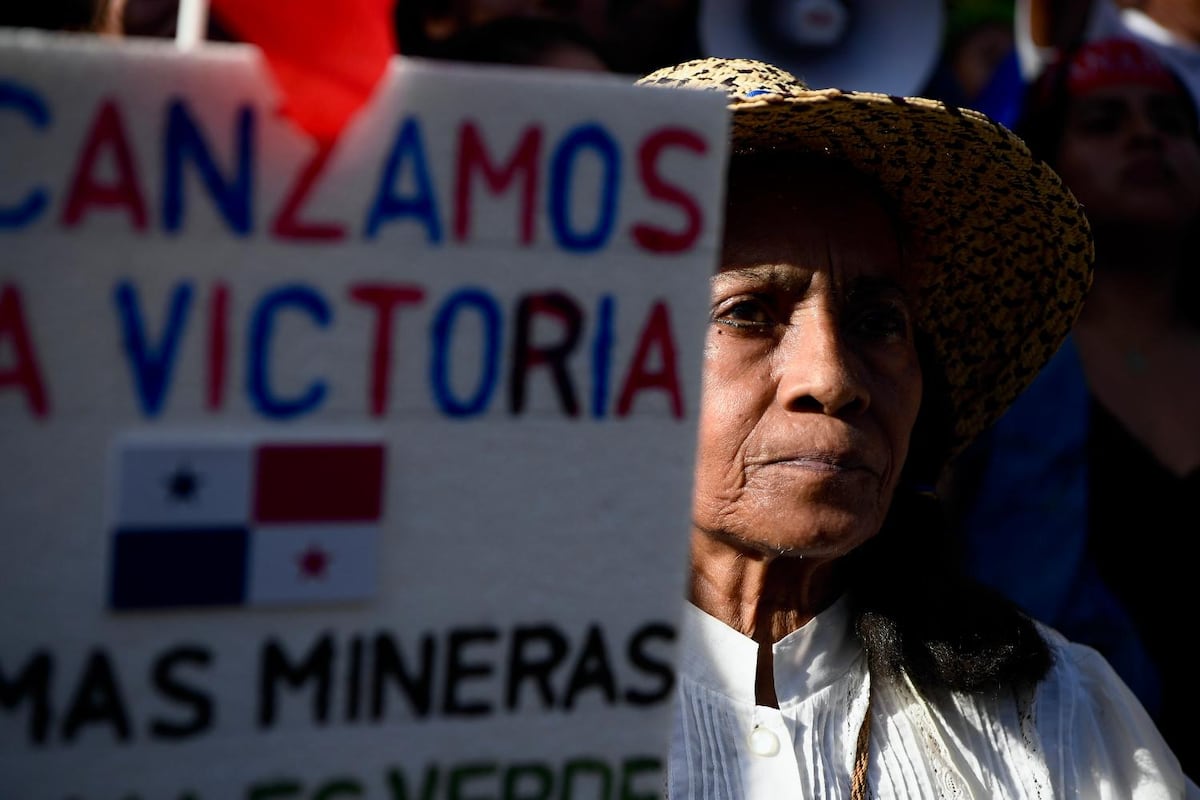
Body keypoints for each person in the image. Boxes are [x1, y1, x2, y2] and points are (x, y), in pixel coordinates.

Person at [633, 56, 1197, 797]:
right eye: (747, 315)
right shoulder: (478, 712)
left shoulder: (1056, 713)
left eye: (877, 323)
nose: (833, 380)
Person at [944, 35, 1200, 780]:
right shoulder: (984, 365)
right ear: (1043, 170)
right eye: (1103, 123)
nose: (1144, 135)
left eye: (1170, 120)